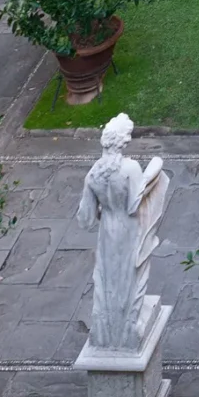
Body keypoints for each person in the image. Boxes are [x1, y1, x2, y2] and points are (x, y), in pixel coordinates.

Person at [77, 113, 168, 350]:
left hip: (107, 228)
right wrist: (153, 176)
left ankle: (107, 329)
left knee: (108, 276)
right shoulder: (130, 168)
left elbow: (85, 219)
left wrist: (101, 210)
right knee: (131, 275)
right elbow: (133, 205)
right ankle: (129, 324)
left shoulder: (93, 174)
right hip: (128, 228)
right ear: (122, 141)